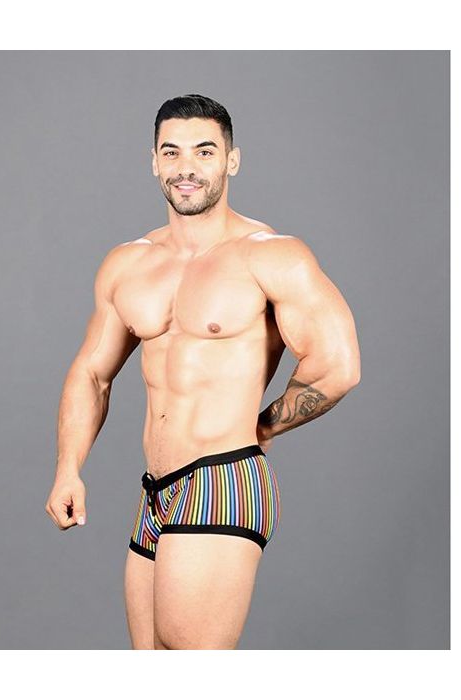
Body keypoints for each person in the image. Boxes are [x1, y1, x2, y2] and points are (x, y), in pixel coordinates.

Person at [45, 94, 361, 649]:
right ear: (154, 162)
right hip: (156, 490)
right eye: (172, 152)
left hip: (223, 478)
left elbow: (338, 366)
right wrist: (68, 468)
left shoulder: (271, 256)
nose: (186, 167)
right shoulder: (128, 263)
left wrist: (260, 427)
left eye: (204, 151)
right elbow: (92, 374)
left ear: (231, 161)